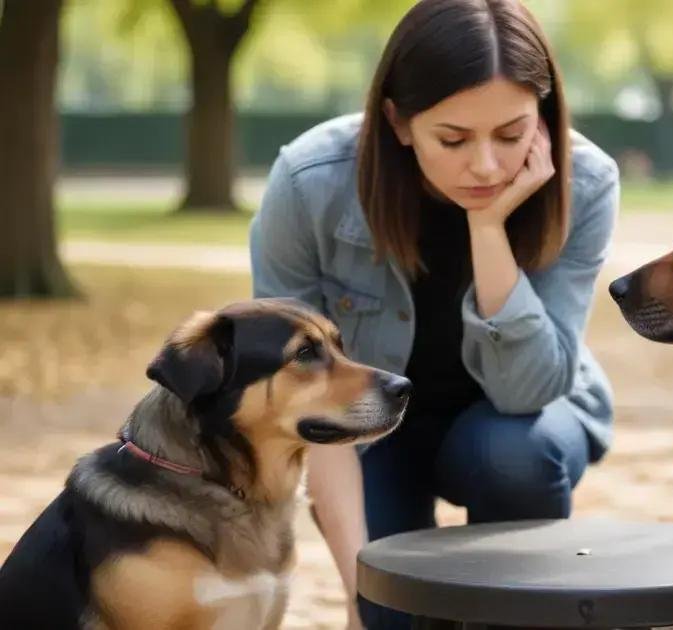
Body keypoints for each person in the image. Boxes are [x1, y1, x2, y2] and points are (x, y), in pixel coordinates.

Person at [248, 0, 619, 627]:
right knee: (393, 610)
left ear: (544, 116)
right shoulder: (310, 182)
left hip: (515, 430)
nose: (487, 165)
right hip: (368, 436)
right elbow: (313, 404)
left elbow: (527, 390)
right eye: (452, 139)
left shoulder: (583, 184)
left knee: (512, 454)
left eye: (512, 134)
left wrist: (489, 228)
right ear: (397, 121)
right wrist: (358, 589)